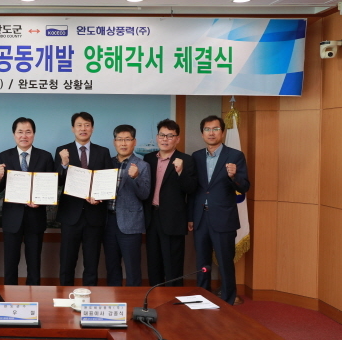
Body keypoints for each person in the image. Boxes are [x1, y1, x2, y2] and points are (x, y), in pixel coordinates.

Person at [189, 115, 250, 305]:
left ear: (222, 132)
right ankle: (202, 297)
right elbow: (194, 190)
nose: (211, 133)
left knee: (225, 262)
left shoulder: (235, 156)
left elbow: (245, 186)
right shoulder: (196, 156)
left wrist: (234, 176)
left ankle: (228, 300)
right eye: (207, 129)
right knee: (202, 263)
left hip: (224, 218)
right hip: (201, 217)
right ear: (202, 134)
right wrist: (191, 217)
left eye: (215, 129)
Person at [55, 112, 113, 286]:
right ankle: (64, 296)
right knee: (67, 262)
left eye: (87, 125)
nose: (83, 128)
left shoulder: (103, 152)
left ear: (92, 128)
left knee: (91, 263)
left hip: (94, 215)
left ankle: (90, 297)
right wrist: (64, 164)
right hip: (70, 216)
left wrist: (100, 197)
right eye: (79, 125)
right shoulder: (62, 151)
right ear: (73, 128)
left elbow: (107, 181)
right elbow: (57, 181)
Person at [0, 117, 54, 285]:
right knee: (10, 263)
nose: (24, 136)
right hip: (12, 218)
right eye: (20, 132)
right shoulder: (3, 156)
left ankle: (33, 296)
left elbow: (51, 186)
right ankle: (8, 297)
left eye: (28, 132)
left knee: (34, 263)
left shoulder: (45, 156)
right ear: (14, 134)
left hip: (35, 217)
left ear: (34, 134)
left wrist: (41, 201)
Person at [144, 119, 197, 286]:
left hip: (173, 220)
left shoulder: (186, 160)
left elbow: (191, 189)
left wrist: (181, 172)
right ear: (157, 137)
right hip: (151, 218)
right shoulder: (149, 159)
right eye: (162, 135)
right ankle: (155, 296)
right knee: (153, 264)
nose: (165, 139)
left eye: (170, 136)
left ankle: (173, 297)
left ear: (177, 139)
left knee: (173, 266)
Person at [102, 124, 150, 286]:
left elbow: (144, 194)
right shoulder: (107, 163)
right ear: (114, 142)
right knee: (112, 267)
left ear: (134, 142)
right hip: (108, 223)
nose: (123, 143)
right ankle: (113, 300)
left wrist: (135, 178)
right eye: (120, 139)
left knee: (132, 269)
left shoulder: (142, 165)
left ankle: (134, 300)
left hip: (130, 224)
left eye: (127, 139)